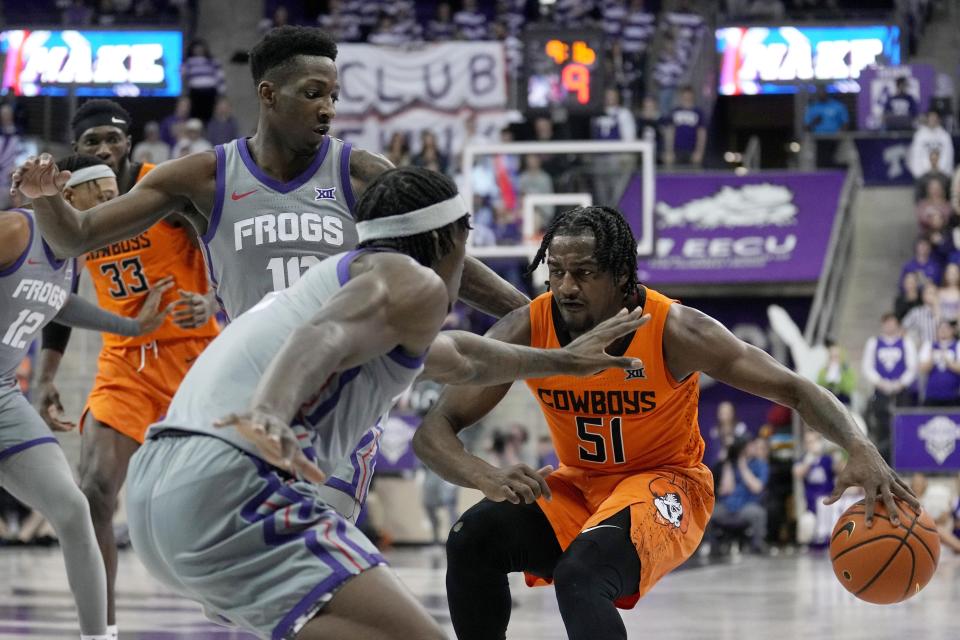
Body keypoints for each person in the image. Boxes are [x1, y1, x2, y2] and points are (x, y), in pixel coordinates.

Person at [13, 25, 529, 524]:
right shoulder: (205, 176)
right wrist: (45, 200)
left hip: (343, 390)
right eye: (313, 93)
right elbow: (75, 237)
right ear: (268, 94)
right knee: (259, 577)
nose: (328, 107)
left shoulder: (358, 171)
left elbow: (443, 241)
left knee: (312, 549)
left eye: (334, 95)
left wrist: (529, 308)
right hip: (246, 384)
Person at [123, 167, 647, 640]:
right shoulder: (409, 280)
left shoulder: (359, 288)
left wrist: (565, 360)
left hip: (157, 493)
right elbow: (322, 335)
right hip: (231, 482)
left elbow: (462, 358)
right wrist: (270, 410)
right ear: (449, 239)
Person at [413, 205, 914, 640]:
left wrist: (860, 446)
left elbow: (796, 388)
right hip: (580, 487)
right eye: (556, 271)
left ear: (621, 276)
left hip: (667, 486)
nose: (565, 286)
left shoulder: (678, 330)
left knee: (581, 574)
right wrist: (487, 477)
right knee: (470, 538)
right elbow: (434, 429)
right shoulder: (528, 327)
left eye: (583, 273)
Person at [0, 201, 171, 640]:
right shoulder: (18, 228)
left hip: (3, 398)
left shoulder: (72, 255)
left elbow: (60, 303)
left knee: (73, 509)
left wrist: (130, 327)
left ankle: (98, 637)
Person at [862, 313, 917, 461]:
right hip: (881, 392)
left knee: (903, 427)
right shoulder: (873, 343)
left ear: (897, 324)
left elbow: (912, 367)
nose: (889, 326)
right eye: (886, 323)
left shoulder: (906, 342)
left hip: (901, 392)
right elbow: (867, 367)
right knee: (882, 428)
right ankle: (884, 461)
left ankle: (904, 459)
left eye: (892, 322)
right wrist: (880, 382)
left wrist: (901, 383)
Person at [708, 435, 770, 555]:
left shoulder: (759, 464)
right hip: (728, 506)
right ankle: (714, 549)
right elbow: (725, 490)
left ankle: (756, 548)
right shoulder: (730, 464)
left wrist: (743, 466)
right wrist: (728, 463)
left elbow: (757, 487)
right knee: (708, 515)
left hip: (747, 506)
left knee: (758, 514)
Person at [181, 38, 226, 123]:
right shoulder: (188, 62)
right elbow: (183, 78)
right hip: (195, 93)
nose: (198, 50)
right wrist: (184, 94)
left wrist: (222, 93)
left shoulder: (212, 61)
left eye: (200, 48)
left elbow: (220, 77)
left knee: (209, 116)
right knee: (194, 116)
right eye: (196, 48)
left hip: (210, 93)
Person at [918, 319, 960, 406]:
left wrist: (947, 360)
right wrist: (932, 357)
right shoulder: (929, 345)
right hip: (932, 395)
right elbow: (922, 369)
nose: (943, 331)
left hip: (953, 395)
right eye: (941, 328)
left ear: (952, 330)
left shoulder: (957, 345)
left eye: (946, 328)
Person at [664, 86, 706, 167]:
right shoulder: (674, 111)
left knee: (694, 176)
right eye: (685, 95)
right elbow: (670, 132)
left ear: (692, 96)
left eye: (689, 95)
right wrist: (669, 151)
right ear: (681, 96)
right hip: (676, 151)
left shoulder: (698, 112)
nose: (687, 98)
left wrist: (699, 152)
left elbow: (702, 133)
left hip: (692, 150)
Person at [909, 110, 954, 178]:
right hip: (922, 175)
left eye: (935, 118)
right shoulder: (920, 135)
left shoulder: (945, 136)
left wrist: (940, 171)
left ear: (939, 119)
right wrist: (921, 173)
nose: (932, 120)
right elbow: (915, 156)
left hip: (942, 175)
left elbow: (948, 156)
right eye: (931, 118)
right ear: (927, 119)